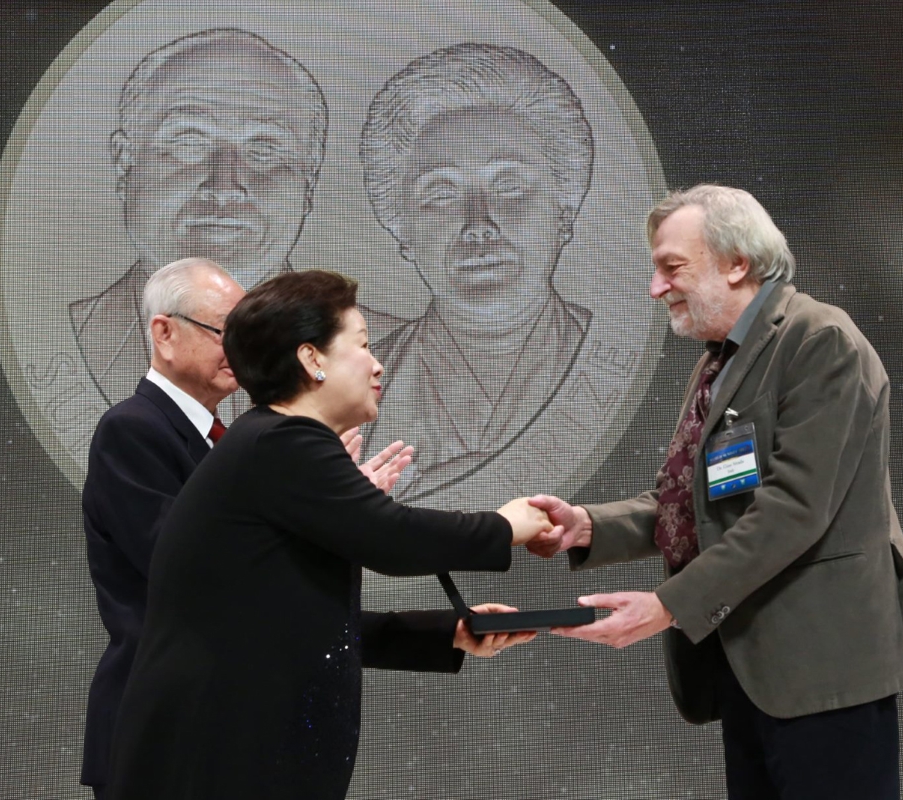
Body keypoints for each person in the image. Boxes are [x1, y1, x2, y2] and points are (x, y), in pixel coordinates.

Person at [525, 185, 903, 799]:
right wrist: (588, 526)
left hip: (823, 672)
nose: (655, 288)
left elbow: (793, 509)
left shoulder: (819, 340)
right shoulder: (722, 361)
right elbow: (700, 501)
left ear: (737, 263)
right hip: (749, 668)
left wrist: (668, 606)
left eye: (671, 268)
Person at [105, 269, 554, 800]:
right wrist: (507, 526)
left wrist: (447, 632)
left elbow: (293, 619)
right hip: (216, 758)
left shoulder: (269, 440)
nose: (377, 364)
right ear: (311, 358)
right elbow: (394, 538)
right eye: (362, 345)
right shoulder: (282, 441)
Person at [80, 258, 415, 800]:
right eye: (224, 332)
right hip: (168, 737)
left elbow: (277, 600)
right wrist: (330, 517)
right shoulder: (133, 429)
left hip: (234, 735)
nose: (240, 350)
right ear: (164, 333)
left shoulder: (229, 441)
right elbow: (197, 571)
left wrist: (330, 509)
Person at [358, 43, 595, 501]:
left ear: (564, 212)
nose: (478, 224)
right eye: (441, 194)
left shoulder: (602, 357)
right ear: (401, 230)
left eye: (508, 185)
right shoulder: (352, 388)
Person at [69, 28, 327, 406]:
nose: (224, 187)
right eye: (188, 141)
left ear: (310, 180)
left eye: (264, 149)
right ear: (125, 163)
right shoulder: (66, 338)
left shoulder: (381, 351)